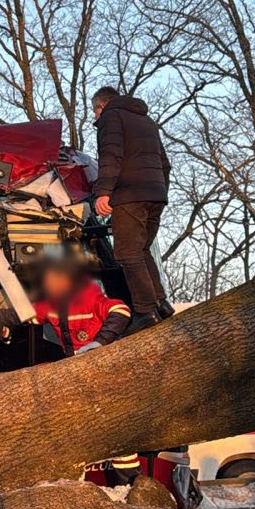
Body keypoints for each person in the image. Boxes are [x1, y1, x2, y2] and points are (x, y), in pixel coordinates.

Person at [91, 86, 172, 334]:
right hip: (156, 195)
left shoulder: (111, 117)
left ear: (101, 105)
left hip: (129, 195)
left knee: (127, 253)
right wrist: (159, 191)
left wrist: (103, 192)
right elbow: (165, 164)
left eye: (94, 111)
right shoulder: (146, 121)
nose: (95, 117)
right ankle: (161, 304)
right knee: (142, 249)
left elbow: (111, 155)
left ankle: (145, 312)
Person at [0, 255, 130, 355]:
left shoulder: (90, 299)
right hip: (73, 359)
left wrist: (100, 342)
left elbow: (121, 310)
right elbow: (26, 313)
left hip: (101, 355)